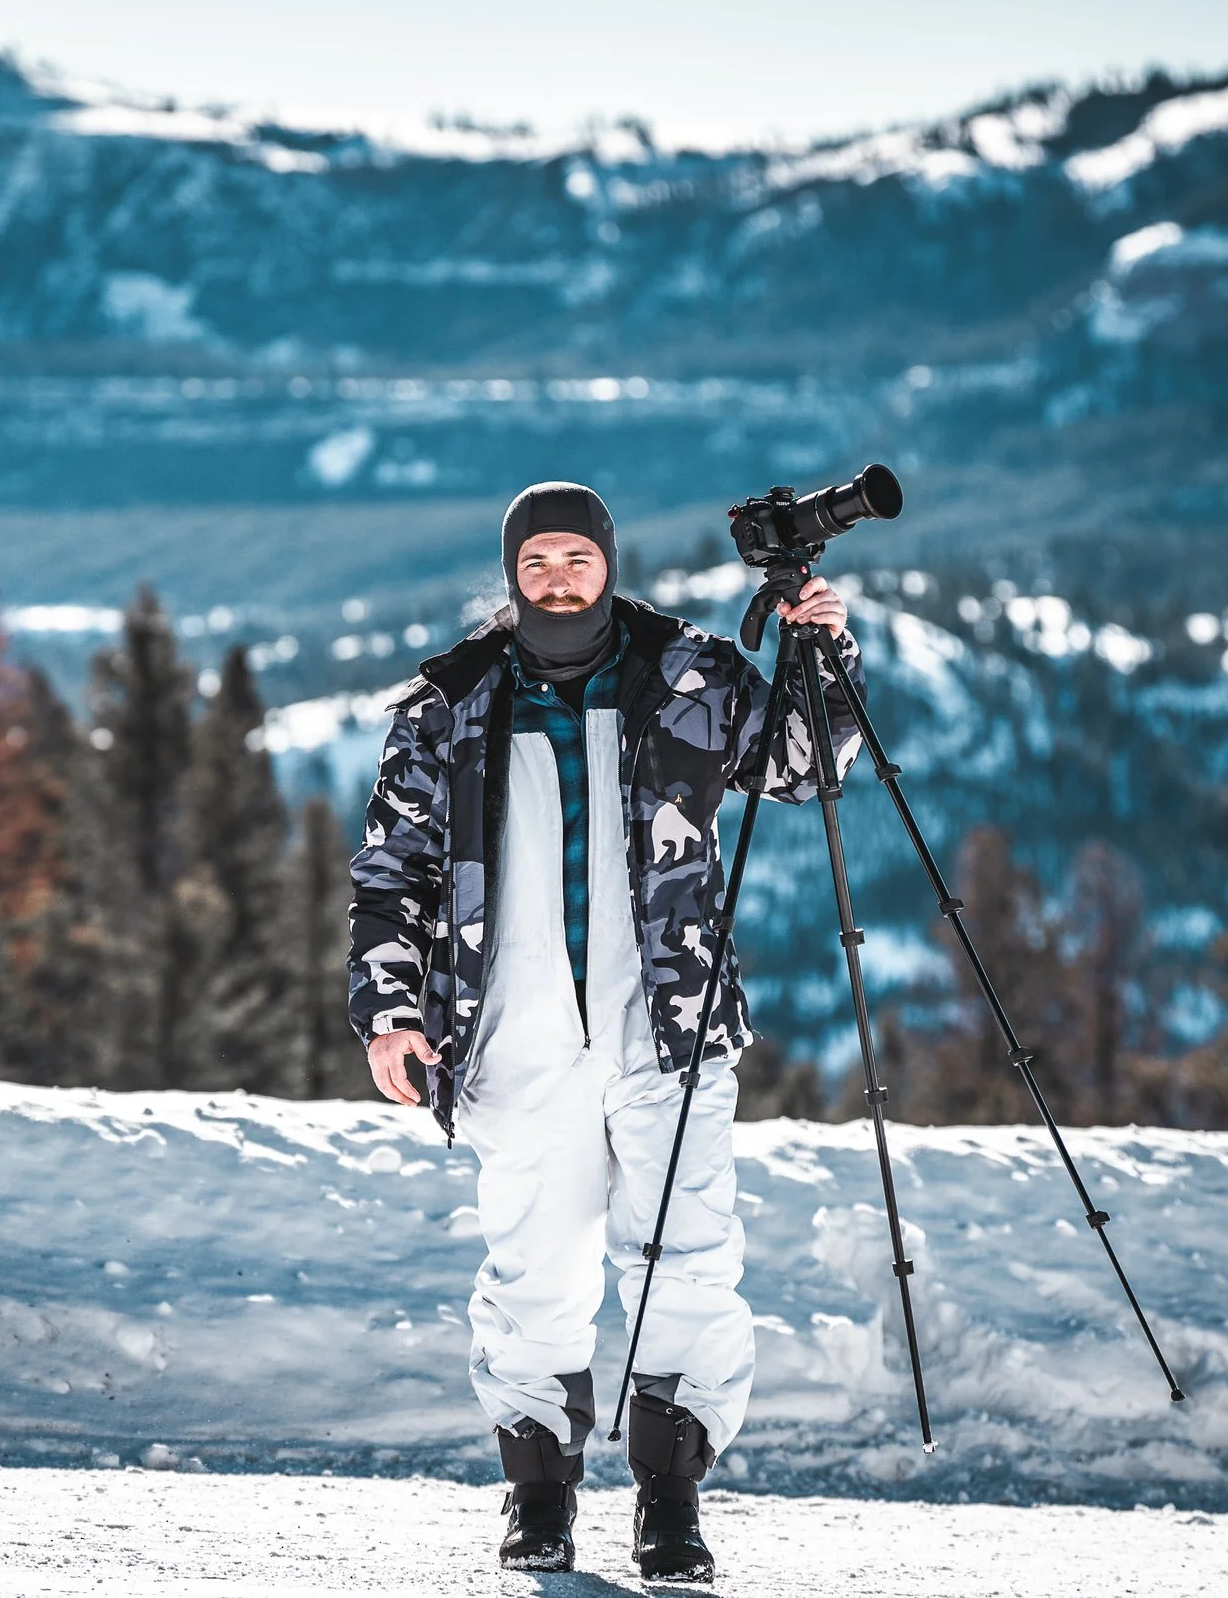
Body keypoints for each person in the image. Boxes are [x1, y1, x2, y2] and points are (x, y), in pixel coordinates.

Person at [348, 480, 861, 1580]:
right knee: (535, 1265)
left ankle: (669, 1497)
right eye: (536, 562)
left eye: (576, 556)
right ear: (512, 572)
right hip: (511, 1030)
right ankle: (539, 1495)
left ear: (608, 561)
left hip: (666, 1021)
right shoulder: (453, 698)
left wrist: (824, 654)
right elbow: (391, 872)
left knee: (688, 1254)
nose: (557, 577)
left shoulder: (684, 671)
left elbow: (804, 770)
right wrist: (391, 1011)